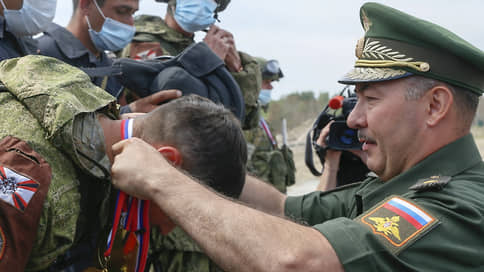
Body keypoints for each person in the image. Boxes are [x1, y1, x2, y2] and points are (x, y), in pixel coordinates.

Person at [110, 2, 484, 271]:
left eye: (371, 99)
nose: (353, 119)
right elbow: (277, 208)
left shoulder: (458, 207)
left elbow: (298, 261)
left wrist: (162, 180)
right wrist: (186, 147)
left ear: (435, 106)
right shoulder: (394, 187)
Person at [0, 54, 247, 271]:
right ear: (166, 161)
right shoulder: (33, 184)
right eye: (179, 216)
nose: (167, 231)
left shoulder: (91, 136)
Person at [120, 0, 262, 129]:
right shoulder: (145, 44)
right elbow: (166, 107)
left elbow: (242, 122)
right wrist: (206, 61)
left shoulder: (201, 47)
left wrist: (236, 70)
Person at [36, 0, 167, 114]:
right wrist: (128, 111)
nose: (130, 23)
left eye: (132, 13)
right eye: (122, 11)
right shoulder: (42, 54)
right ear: (86, 4)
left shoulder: (110, 67)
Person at [244, 57, 296, 193]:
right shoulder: (242, 123)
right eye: (266, 82)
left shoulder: (260, 121)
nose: (271, 87)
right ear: (251, 83)